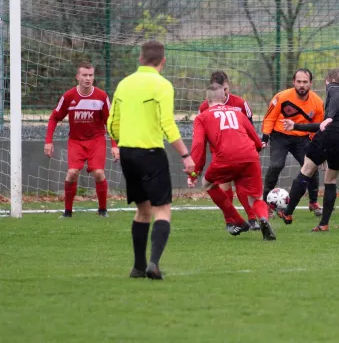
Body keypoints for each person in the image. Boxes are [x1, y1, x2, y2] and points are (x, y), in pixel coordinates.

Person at [108, 40, 195, 279]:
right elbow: (167, 123)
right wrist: (186, 155)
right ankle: (153, 264)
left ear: (140, 59)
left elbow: (112, 122)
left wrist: (121, 141)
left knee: (142, 209)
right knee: (162, 210)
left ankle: (138, 266)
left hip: (126, 152)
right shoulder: (162, 85)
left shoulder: (124, 84)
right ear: (163, 61)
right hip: (151, 153)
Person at [188, 83, 276, 241]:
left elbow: (198, 145)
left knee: (207, 184)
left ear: (207, 100)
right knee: (256, 198)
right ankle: (263, 218)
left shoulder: (202, 117)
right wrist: (254, 150)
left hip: (225, 157)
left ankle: (239, 221)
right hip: (249, 156)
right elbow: (256, 141)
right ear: (224, 98)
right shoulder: (238, 113)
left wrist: (195, 171)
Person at [280, 68, 339, 231]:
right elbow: (324, 124)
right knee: (330, 180)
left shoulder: (334, 87)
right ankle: (324, 224)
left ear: (327, 81)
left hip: (330, 135)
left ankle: (287, 212)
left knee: (306, 170)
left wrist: (329, 116)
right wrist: (296, 126)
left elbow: (329, 118)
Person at [45, 61, 119, 218]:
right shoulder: (69, 96)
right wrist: (48, 141)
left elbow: (110, 122)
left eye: (91, 75)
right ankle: (67, 212)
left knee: (99, 173)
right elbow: (54, 118)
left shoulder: (101, 96)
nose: (88, 78)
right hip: (76, 141)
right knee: (72, 173)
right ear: (77, 77)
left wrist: (114, 145)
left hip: (96, 140)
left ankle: (103, 210)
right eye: (84, 75)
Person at [198, 70, 260, 230]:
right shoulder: (204, 107)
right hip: (220, 154)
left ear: (228, 86)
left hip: (241, 151)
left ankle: (252, 220)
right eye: (221, 90)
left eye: (226, 89)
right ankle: (231, 222)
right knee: (225, 188)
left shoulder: (240, 104)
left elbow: (250, 128)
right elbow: (202, 136)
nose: (224, 93)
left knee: (243, 188)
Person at [261, 68, 325, 217]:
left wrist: (319, 146)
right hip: (280, 136)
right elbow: (269, 118)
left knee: (311, 166)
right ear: (293, 82)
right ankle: (265, 204)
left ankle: (313, 202)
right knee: (276, 165)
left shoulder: (317, 102)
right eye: (299, 82)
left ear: (310, 83)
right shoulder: (282, 97)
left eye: (305, 82)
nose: (302, 85)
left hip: (302, 139)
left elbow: (318, 126)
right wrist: (265, 137)